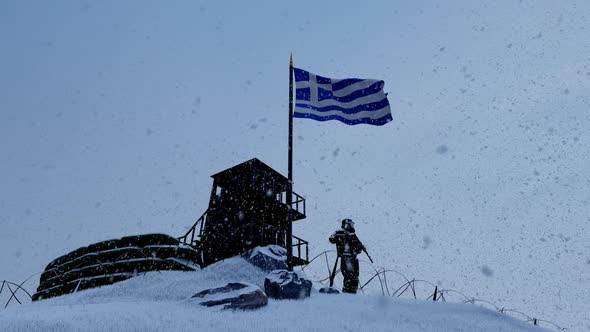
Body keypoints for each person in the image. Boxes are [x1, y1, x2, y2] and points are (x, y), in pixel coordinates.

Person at [329, 218, 366, 294]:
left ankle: (352, 291)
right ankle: (347, 292)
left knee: (355, 275)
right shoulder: (340, 233)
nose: (352, 226)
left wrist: (359, 247)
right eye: (351, 224)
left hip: (353, 258)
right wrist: (342, 235)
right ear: (346, 225)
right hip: (346, 257)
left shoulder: (353, 235)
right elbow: (331, 239)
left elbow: (357, 247)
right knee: (349, 275)